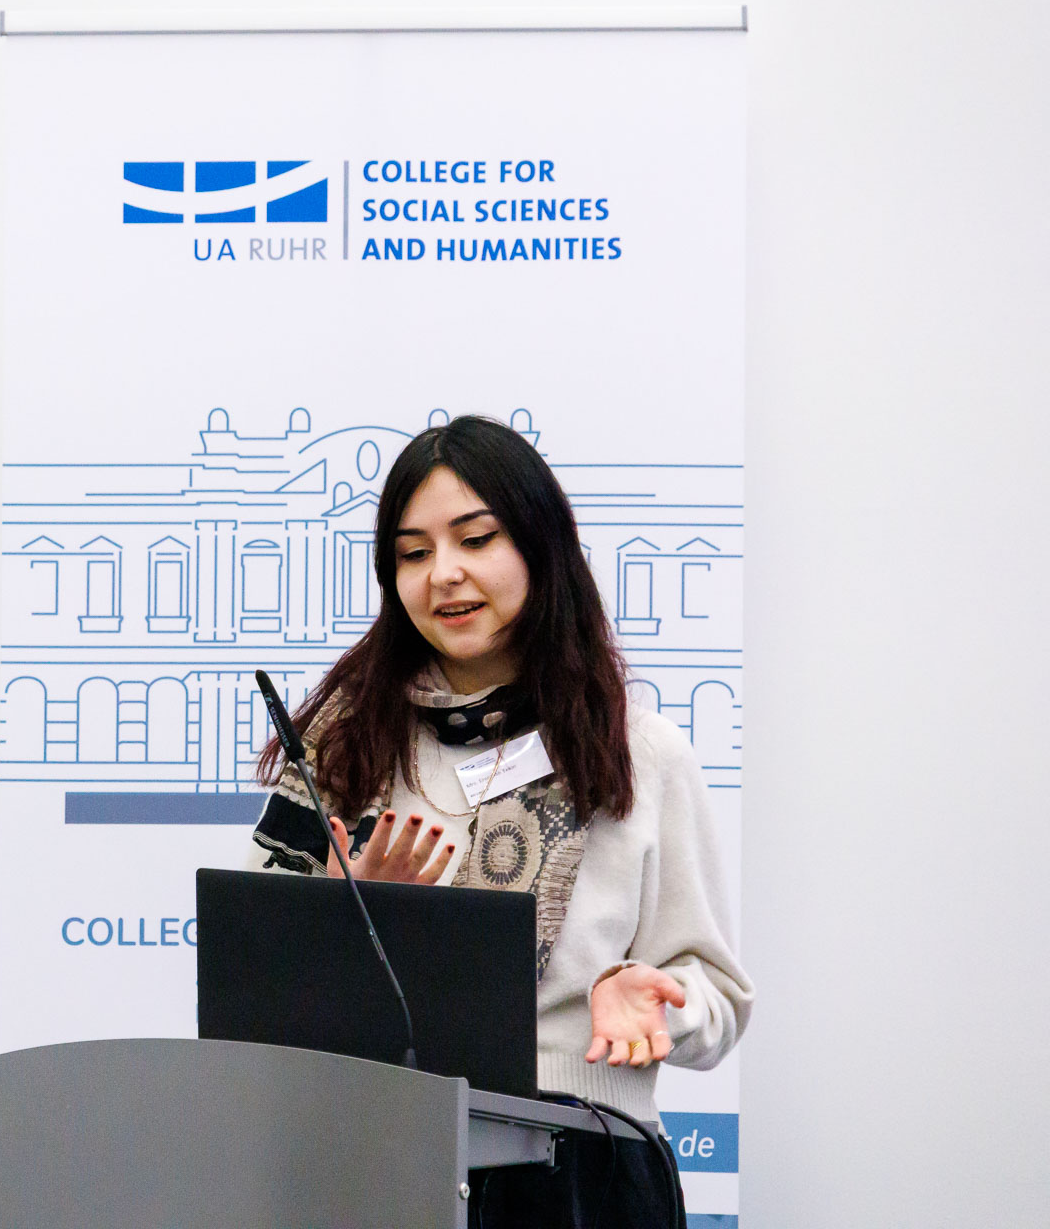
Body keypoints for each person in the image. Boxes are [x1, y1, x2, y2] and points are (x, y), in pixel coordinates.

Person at [246, 415, 752, 1229]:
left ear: (540, 549)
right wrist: (355, 923)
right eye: (412, 554)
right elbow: (251, 978)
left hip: (577, 1172)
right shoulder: (342, 745)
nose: (443, 574)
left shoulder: (634, 751)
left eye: (475, 540)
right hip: (374, 1155)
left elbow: (717, 995)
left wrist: (655, 1001)